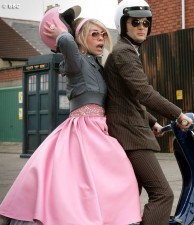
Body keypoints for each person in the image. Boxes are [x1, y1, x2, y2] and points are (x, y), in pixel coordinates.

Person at [0, 5, 141, 225]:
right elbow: (66, 43)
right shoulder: (76, 62)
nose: (101, 38)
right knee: (77, 184)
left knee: (117, 175)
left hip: (100, 129)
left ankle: (111, 217)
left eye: (103, 33)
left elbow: (123, 100)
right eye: (94, 34)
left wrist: (149, 122)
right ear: (81, 39)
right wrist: (59, 31)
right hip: (82, 130)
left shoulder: (98, 67)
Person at [104, 0, 194, 224]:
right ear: (123, 24)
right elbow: (144, 93)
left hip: (129, 130)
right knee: (163, 194)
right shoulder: (124, 53)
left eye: (146, 22)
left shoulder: (126, 51)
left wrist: (152, 121)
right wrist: (177, 114)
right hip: (131, 136)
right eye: (135, 22)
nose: (142, 26)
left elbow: (127, 98)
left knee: (128, 195)